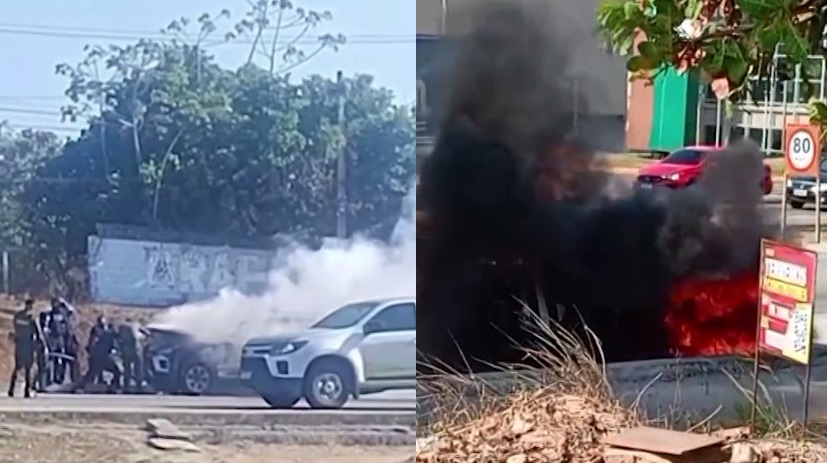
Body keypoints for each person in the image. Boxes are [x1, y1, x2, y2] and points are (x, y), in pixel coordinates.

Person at [8, 299, 43, 398]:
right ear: (31, 306)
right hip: (28, 345)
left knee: (17, 367)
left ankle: (11, 389)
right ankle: (27, 391)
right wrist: (42, 344)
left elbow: (15, 329)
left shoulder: (17, 316)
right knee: (28, 369)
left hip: (19, 345)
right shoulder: (31, 318)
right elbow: (38, 333)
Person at [77, 316, 121, 393]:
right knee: (92, 373)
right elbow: (92, 343)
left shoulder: (108, 334)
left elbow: (113, 344)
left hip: (104, 357)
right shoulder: (99, 332)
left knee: (116, 370)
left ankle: (113, 387)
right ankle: (81, 387)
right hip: (97, 357)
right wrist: (91, 353)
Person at [117, 318, 145, 393]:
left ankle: (126, 387)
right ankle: (139, 387)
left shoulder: (122, 327)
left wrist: (120, 348)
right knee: (138, 369)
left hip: (126, 351)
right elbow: (146, 333)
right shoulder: (136, 325)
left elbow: (118, 338)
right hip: (136, 350)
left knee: (127, 369)